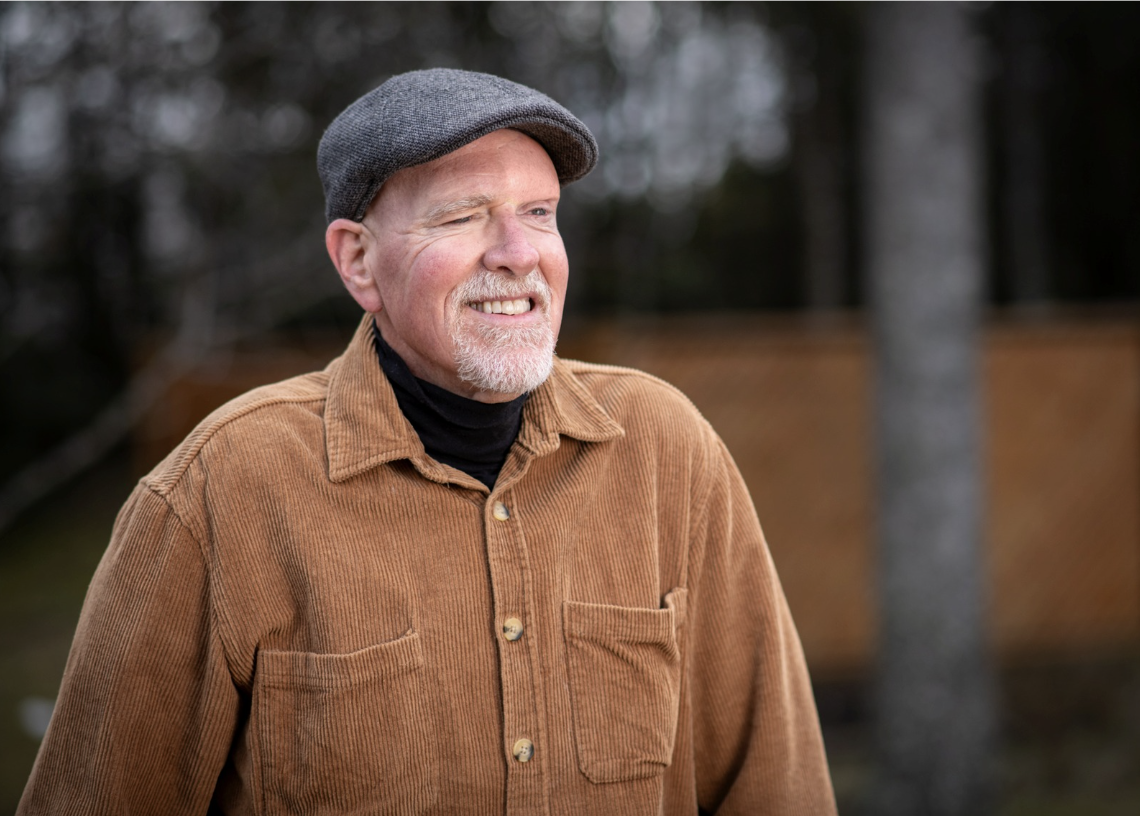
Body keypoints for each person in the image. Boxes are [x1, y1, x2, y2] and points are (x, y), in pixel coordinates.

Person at [19, 68, 837, 815]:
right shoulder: (218, 490)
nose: (519, 256)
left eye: (539, 215)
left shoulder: (666, 448)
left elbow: (778, 787)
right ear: (359, 261)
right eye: (464, 217)